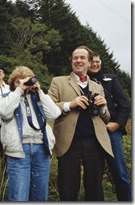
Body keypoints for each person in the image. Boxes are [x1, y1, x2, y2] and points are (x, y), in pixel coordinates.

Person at [48, 46, 114, 201]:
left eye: (82, 58)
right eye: (75, 58)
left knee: (95, 186)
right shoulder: (58, 81)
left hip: (95, 142)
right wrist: (69, 104)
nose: (78, 61)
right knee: (68, 187)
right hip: (68, 142)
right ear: (71, 61)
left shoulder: (98, 86)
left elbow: (106, 118)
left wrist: (103, 107)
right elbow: (48, 108)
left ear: (89, 62)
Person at [0, 66, 61, 201]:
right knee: (19, 196)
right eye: (18, 81)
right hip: (19, 150)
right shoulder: (8, 98)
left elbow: (54, 114)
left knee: (40, 196)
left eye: (26, 81)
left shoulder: (38, 99)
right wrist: (19, 90)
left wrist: (40, 92)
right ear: (13, 84)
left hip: (41, 149)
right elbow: (4, 112)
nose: (24, 84)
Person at [87, 53, 131, 201]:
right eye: (92, 62)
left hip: (111, 132)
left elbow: (125, 105)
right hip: (91, 133)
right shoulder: (81, 81)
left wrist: (117, 124)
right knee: (94, 174)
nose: (95, 64)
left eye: (98, 62)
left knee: (120, 172)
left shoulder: (111, 79)